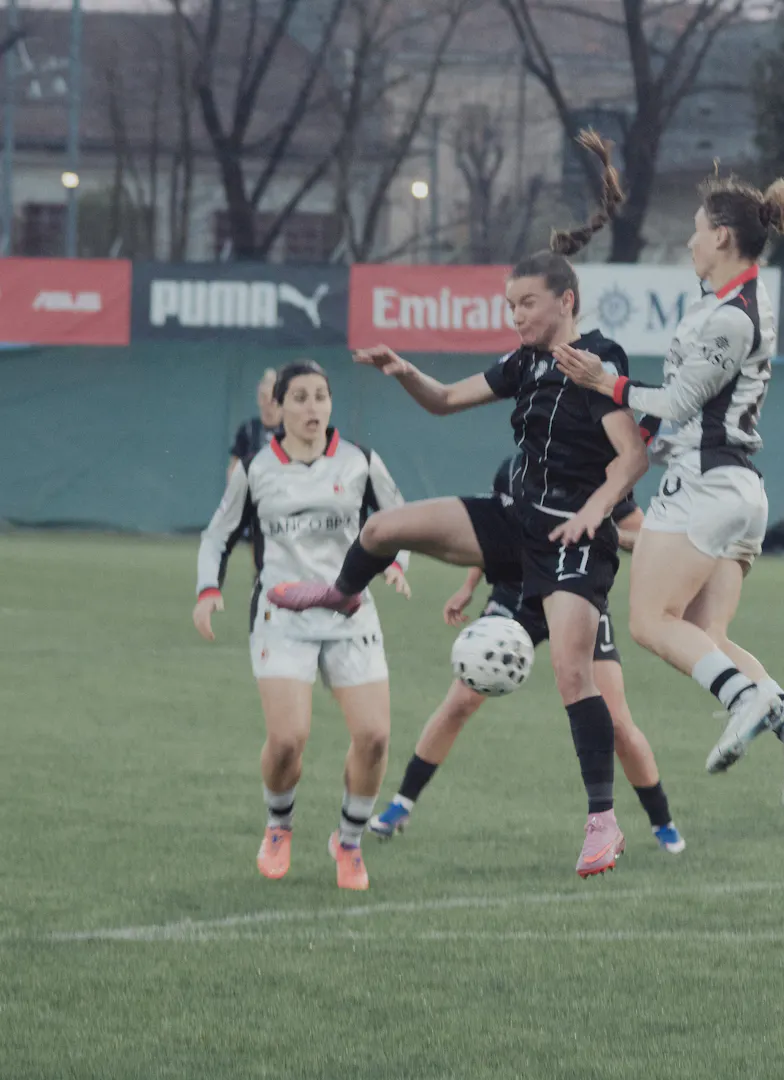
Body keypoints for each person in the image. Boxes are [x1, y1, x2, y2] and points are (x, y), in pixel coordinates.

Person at [269, 130, 650, 878]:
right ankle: (341, 595)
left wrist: (597, 510)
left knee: (574, 678)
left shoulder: (597, 361)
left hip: (573, 541)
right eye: (509, 305)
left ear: (566, 301)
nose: (516, 316)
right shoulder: (525, 362)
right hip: (516, 523)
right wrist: (404, 371)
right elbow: (444, 400)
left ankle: (603, 824)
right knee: (384, 527)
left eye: (527, 304)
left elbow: (634, 457)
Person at [554, 169, 784, 811]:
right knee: (708, 636)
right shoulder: (730, 303)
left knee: (651, 621)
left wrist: (604, 383)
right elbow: (680, 407)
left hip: (706, 487)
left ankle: (745, 699)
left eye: (698, 229)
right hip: (734, 491)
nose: (689, 241)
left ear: (723, 236)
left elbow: (678, 402)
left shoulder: (732, 317)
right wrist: (632, 436)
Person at [369, 455, 686, 855]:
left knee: (617, 722)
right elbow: (492, 532)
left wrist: (601, 528)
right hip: (515, 596)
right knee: (459, 702)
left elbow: (643, 538)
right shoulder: (513, 470)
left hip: (576, 595)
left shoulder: (595, 473)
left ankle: (662, 822)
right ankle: (401, 804)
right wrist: (469, 587)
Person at [192, 360, 412, 892]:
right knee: (288, 740)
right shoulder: (257, 468)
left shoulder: (359, 461)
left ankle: (349, 842)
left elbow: (398, 518)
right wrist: (208, 590)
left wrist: (397, 563)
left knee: (375, 737)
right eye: (300, 398)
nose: (313, 407)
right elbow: (218, 535)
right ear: (279, 407)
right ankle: (278, 825)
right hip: (282, 617)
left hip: (350, 613)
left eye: (321, 396)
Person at [228, 368, 282, 478]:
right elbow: (234, 466)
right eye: (263, 397)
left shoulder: (290, 430)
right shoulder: (248, 429)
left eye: (273, 399)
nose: (268, 404)